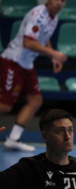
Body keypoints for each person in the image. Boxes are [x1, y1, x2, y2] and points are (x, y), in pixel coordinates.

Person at [0, 0, 68, 152]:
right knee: (5, 106)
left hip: (27, 64)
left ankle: (13, 139)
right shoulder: (38, 15)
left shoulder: (53, 18)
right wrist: (54, 53)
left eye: (63, 0)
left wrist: (53, 57)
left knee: (35, 100)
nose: (59, 3)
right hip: (13, 61)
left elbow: (44, 36)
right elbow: (28, 43)